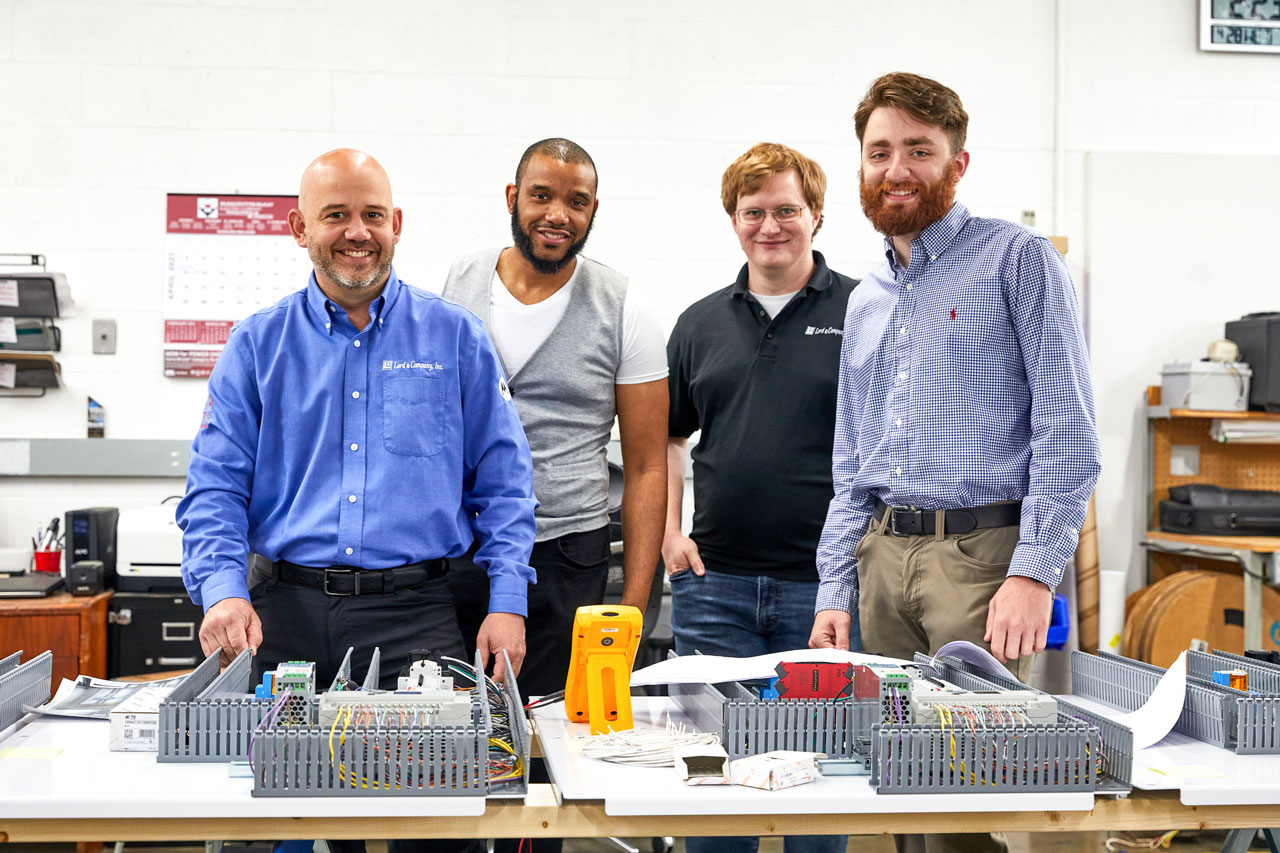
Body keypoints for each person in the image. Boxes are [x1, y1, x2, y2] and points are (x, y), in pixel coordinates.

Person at [177, 150, 536, 853]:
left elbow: (504, 483)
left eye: (372, 214)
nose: (356, 231)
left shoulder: (455, 338)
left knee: (440, 827)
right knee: (254, 825)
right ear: (298, 227)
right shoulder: (257, 344)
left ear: (396, 223)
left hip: (415, 622)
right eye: (335, 214)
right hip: (280, 620)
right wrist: (222, 590)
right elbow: (215, 483)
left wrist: (508, 599)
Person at [809, 73, 1100, 853]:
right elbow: (851, 463)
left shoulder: (1017, 259)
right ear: (861, 166)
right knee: (892, 788)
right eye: (879, 151)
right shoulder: (866, 294)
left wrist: (1034, 571)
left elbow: (1068, 431)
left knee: (975, 796)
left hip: (982, 562)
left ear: (958, 163)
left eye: (918, 149)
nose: (896, 167)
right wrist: (836, 585)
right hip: (882, 559)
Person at [664, 142, 859, 853]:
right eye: (754, 211)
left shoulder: (863, 309)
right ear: (734, 218)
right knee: (718, 792)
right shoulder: (699, 323)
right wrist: (668, 532)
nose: (770, 225)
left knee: (821, 786)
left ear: (816, 215)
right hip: (714, 586)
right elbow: (669, 438)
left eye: (786, 210)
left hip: (827, 589)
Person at [443, 137, 668, 707]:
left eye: (577, 201)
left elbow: (645, 466)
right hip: (458, 549)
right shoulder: (457, 283)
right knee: (450, 732)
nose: (557, 215)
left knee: (553, 733)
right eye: (541, 196)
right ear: (513, 197)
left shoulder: (626, 307)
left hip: (566, 555)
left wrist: (636, 610)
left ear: (593, 210)